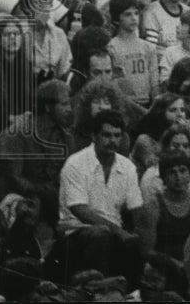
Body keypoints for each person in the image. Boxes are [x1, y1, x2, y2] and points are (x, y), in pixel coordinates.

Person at [58, 109, 144, 285]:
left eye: (117, 135)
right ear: (94, 136)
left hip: (114, 233)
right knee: (100, 235)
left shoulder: (127, 167)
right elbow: (79, 209)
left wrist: (141, 233)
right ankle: (99, 291)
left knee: (139, 241)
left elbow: (136, 208)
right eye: (106, 135)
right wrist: (119, 232)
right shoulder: (76, 163)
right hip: (77, 231)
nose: (112, 141)